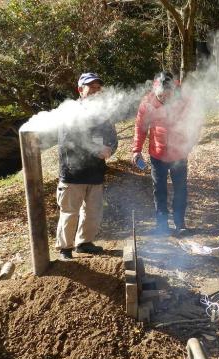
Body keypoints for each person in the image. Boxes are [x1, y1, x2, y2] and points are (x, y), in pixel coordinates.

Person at [55, 72, 118, 260]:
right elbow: (68, 140)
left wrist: (109, 150)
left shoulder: (102, 114)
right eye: (91, 87)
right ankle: (65, 249)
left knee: (93, 211)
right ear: (80, 90)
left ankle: (84, 243)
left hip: (96, 173)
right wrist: (96, 151)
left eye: (98, 88)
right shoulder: (70, 111)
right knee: (69, 212)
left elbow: (112, 138)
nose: (96, 91)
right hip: (73, 173)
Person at [132, 71, 196, 236]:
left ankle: (180, 224)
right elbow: (141, 128)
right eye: (161, 96)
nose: (164, 99)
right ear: (155, 91)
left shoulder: (183, 100)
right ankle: (162, 226)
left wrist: (188, 143)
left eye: (168, 95)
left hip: (179, 154)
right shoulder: (147, 103)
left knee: (180, 190)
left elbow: (193, 122)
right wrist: (136, 150)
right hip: (157, 155)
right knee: (159, 191)